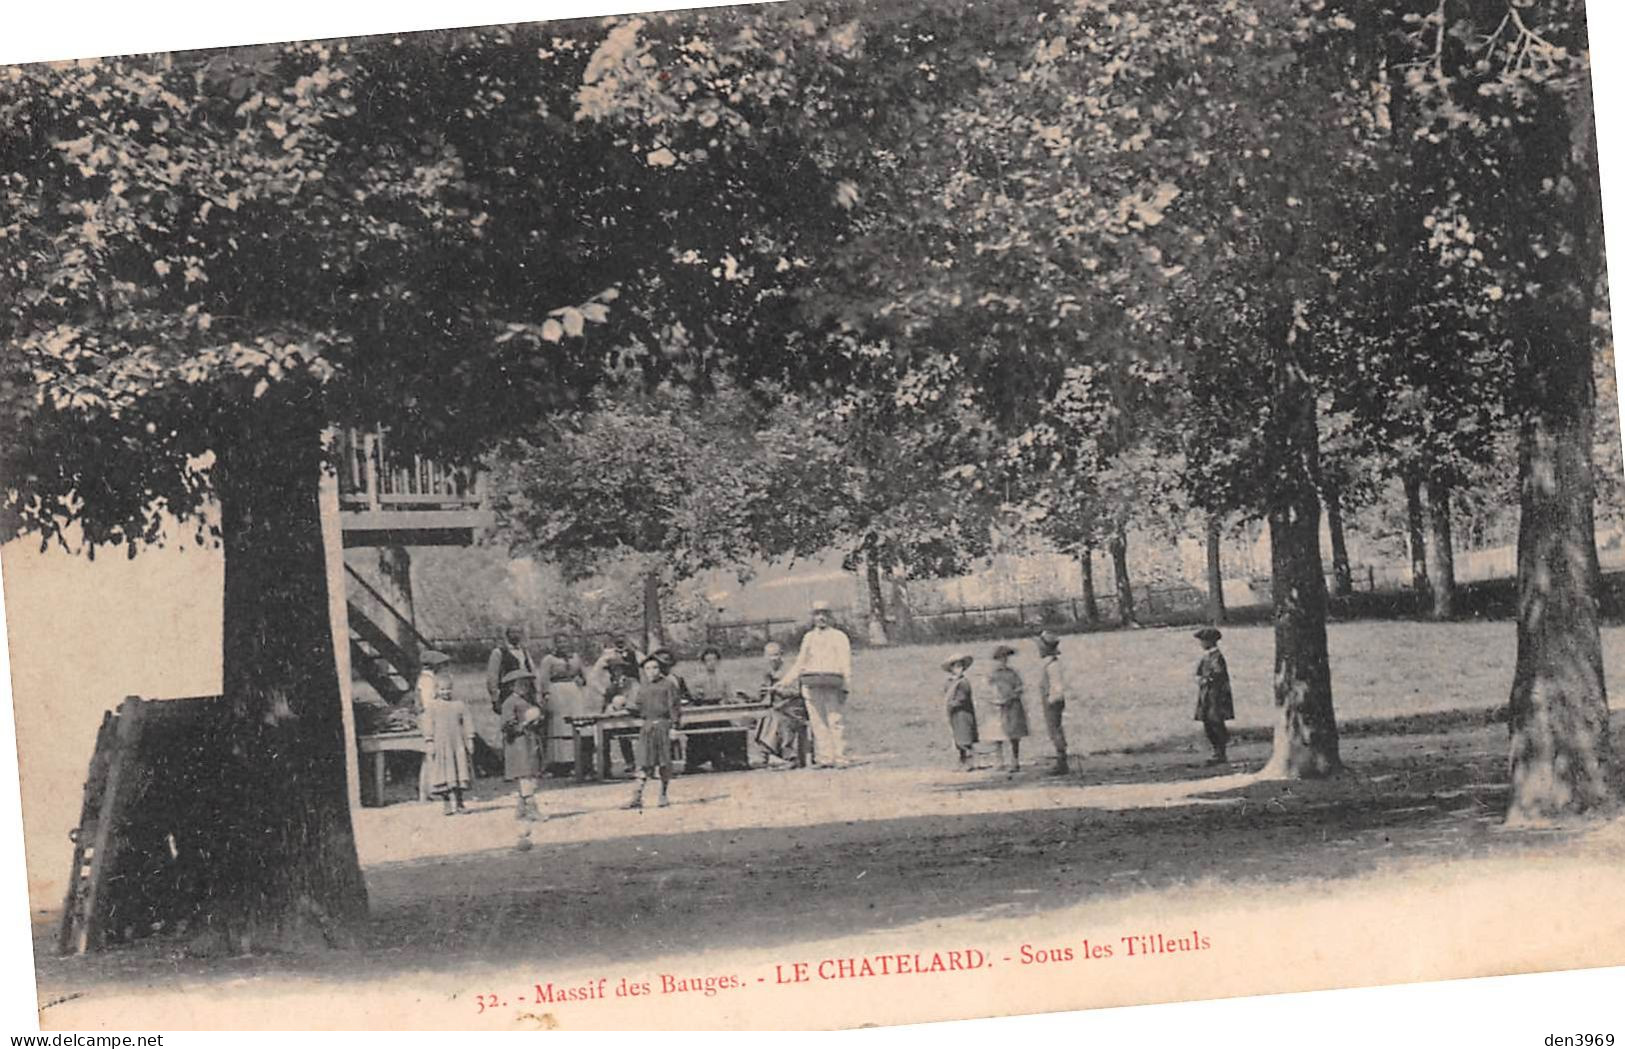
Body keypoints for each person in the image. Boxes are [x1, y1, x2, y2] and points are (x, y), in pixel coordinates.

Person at [776, 600, 853, 768]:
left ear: (830, 616)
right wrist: (785, 681)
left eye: (824, 614)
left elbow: (845, 663)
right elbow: (800, 663)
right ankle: (825, 758)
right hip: (811, 684)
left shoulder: (839, 637)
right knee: (818, 722)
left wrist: (846, 686)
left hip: (833, 683)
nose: (821, 618)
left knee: (835, 720)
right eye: (817, 614)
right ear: (813, 617)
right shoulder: (809, 638)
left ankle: (840, 757)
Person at [624, 653, 682, 810]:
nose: (652, 671)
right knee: (643, 761)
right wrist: (627, 706)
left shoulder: (668, 685)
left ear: (660, 668)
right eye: (648, 668)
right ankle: (637, 796)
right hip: (648, 727)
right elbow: (639, 707)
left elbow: (674, 707)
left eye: (655, 667)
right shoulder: (642, 687)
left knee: (664, 762)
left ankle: (663, 794)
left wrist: (675, 727)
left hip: (663, 726)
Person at [419, 650, 474, 815]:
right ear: (437, 690)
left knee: (459, 771)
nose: (446, 692)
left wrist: (469, 739)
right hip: (442, 744)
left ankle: (459, 802)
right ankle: (446, 803)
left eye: (448, 689)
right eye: (442, 690)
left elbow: (467, 722)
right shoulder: (433, 706)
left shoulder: (458, 705)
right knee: (443, 773)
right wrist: (429, 741)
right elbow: (428, 724)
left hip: (456, 744)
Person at [683, 646, 749, 772]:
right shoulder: (698, 679)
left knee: (735, 728)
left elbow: (730, 695)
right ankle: (698, 763)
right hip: (703, 711)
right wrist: (699, 696)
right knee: (703, 731)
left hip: (720, 709)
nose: (711, 663)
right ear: (703, 662)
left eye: (714, 660)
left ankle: (734, 761)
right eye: (708, 660)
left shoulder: (723, 678)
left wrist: (731, 700)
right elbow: (693, 697)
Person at [499, 667, 546, 837]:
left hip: (529, 740)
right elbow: (507, 726)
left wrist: (538, 720)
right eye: (520, 684)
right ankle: (532, 808)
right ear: (512, 686)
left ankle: (521, 809)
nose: (524, 687)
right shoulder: (509, 703)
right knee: (525, 774)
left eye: (526, 684)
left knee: (531, 773)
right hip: (518, 743)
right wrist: (525, 723)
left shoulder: (528, 701)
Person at [753, 642, 808, 768]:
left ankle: (789, 756)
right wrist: (757, 693)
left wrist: (778, 691)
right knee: (764, 716)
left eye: (776, 655)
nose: (773, 658)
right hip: (777, 708)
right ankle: (765, 753)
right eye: (770, 655)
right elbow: (762, 694)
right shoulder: (767, 671)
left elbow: (796, 692)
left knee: (779, 719)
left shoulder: (790, 670)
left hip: (793, 707)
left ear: (781, 655)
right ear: (765, 656)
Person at [539, 633, 588, 770]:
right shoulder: (549, 659)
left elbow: (584, 676)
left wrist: (581, 681)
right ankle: (559, 762)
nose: (563, 645)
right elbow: (544, 680)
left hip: (573, 691)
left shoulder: (575, 657)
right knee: (559, 723)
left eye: (565, 642)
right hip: (557, 691)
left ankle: (576, 759)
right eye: (559, 642)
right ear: (555, 644)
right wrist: (546, 695)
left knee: (576, 722)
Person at [1193, 627, 1235, 765]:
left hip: (1216, 695)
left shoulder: (1217, 657)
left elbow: (1218, 674)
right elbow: (1198, 672)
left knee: (1216, 722)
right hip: (1207, 694)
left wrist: (1206, 679)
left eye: (1203, 641)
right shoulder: (1207, 657)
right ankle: (1216, 751)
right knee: (1208, 722)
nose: (1201, 643)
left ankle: (1220, 753)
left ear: (1210, 641)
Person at [986, 644, 1030, 773]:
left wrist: (1012, 696)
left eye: (1005, 658)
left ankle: (1015, 761)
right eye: (1000, 658)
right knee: (997, 733)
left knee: (1014, 733)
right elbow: (988, 690)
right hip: (998, 706)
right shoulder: (993, 675)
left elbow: (1020, 687)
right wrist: (994, 700)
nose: (1003, 660)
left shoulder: (1013, 673)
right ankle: (999, 761)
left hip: (1012, 705)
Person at [1035, 630, 1071, 776]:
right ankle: (1061, 759)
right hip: (1051, 700)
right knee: (1054, 730)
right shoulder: (1049, 664)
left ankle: (1062, 762)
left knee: (1055, 729)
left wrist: (1052, 699)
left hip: (1053, 701)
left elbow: (1057, 686)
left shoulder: (1052, 666)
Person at [486, 625, 537, 715]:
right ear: (507, 635)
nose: (516, 635)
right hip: (508, 692)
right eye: (513, 633)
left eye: (518, 632)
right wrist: (495, 698)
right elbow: (492, 676)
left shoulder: (524, 651)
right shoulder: (499, 652)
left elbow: (532, 671)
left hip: (527, 692)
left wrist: (535, 690)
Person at [942, 652, 978, 771]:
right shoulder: (948, 682)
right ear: (951, 669)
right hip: (954, 714)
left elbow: (964, 697)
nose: (959, 669)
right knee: (957, 737)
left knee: (965, 736)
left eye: (961, 666)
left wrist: (954, 703)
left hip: (964, 713)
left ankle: (969, 762)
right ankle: (961, 761)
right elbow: (946, 695)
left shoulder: (964, 682)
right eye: (956, 667)